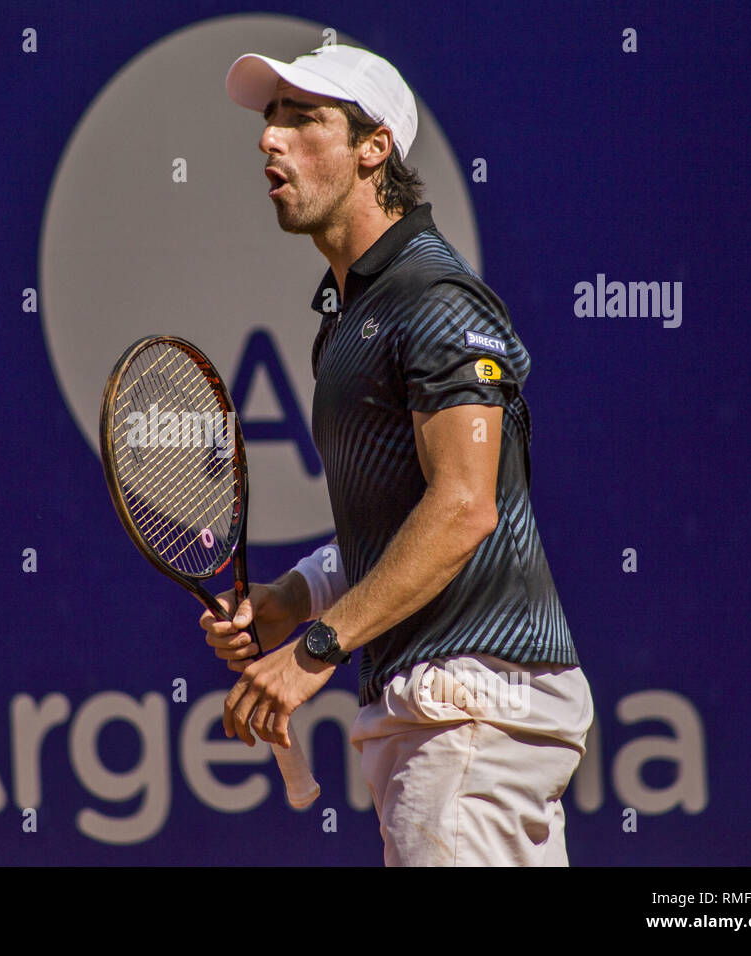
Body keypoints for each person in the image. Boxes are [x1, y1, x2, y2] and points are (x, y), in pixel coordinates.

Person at [199, 43, 594, 866]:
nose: (270, 140)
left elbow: (462, 509)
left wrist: (311, 654)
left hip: (470, 713)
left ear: (373, 148)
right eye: (269, 120)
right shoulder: (348, 320)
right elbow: (400, 523)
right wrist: (291, 598)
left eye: (302, 119)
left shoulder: (433, 297)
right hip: (445, 724)